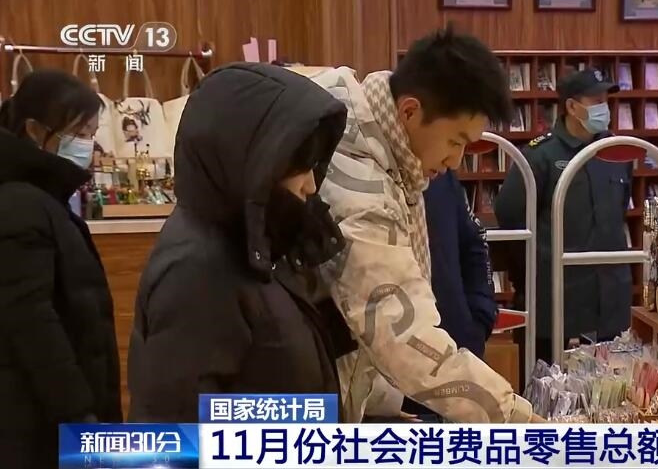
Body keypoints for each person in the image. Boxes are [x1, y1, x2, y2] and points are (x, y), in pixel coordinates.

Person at [310, 25, 541, 423]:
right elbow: (399, 333)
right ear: (409, 112)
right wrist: (518, 420)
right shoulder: (360, 188)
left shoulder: (376, 143)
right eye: (455, 141)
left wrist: (380, 404)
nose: (456, 161)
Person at [127, 63, 355, 422]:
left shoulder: (262, 241)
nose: (311, 185)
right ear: (248, 162)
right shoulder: (196, 271)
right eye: (297, 166)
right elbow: (178, 429)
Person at [0, 70, 122, 468]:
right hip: (38, 426)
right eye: (80, 133)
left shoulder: (43, 198)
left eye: (92, 134)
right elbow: (33, 325)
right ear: (35, 130)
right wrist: (80, 415)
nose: (87, 145)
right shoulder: (19, 204)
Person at [494, 69, 633, 364]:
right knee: (542, 384)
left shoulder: (615, 153)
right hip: (555, 302)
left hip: (609, 303)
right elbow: (511, 218)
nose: (604, 107)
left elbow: (618, 211)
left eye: (606, 99)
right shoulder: (539, 155)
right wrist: (532, 275)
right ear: (571, 106)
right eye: (596, 100)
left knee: (609, 387)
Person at [399, 171, 500, 421]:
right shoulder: (367, 181)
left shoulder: (442, 177)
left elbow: (474, 244)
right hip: (390, 383)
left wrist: (480, 317)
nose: (454, 159)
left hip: (459, 351)